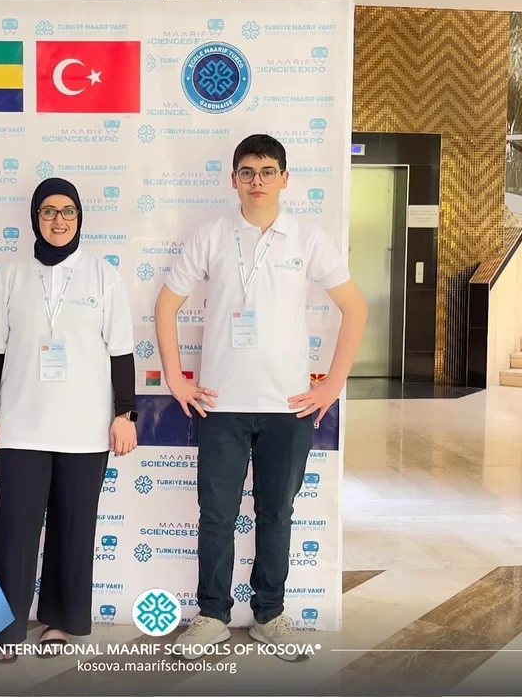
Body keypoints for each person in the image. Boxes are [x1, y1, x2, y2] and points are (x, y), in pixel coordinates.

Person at [154, 133, 366, 661]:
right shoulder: (211, 236)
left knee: (277, 515)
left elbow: (355, 309)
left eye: (268, 171)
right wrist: (176, 379)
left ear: (284, 179)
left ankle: (270, 615)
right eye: (247, 172)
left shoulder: (307, 239)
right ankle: (212, 617)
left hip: (288, 408)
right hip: (221, 405)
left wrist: (333, 384)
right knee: (216, 516)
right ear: (234, 179)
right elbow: (166, 305)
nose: (257, 181)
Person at [0, 177, 138, 662]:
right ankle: (5, 628)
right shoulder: (11, 276)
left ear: (79, 217)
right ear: (35, 218)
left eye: (68, 211)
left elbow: (122, 351)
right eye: (48, 211)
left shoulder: (103, 276)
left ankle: (59, 622)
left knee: (73, 530)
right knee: (13, 531)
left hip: (85, 430)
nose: (58, 220)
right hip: (20, 426)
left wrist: (124, 414)